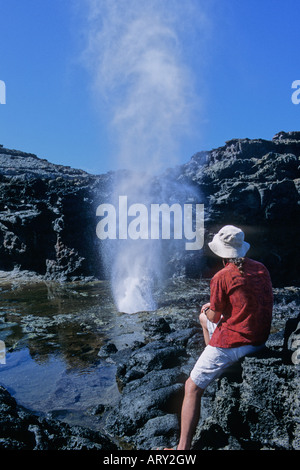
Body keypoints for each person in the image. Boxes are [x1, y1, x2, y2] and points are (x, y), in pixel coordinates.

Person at [168, 225, 273, 451]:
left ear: (221, 251)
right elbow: (248, 304)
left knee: (192, 386)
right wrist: (211, 313)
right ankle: (215, 356)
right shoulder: (262, 269)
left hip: (237, 342)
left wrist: (207, 310)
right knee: (206, 320)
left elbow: (215, 314)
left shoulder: (222, 276)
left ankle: (182, 449)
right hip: (260, 339)